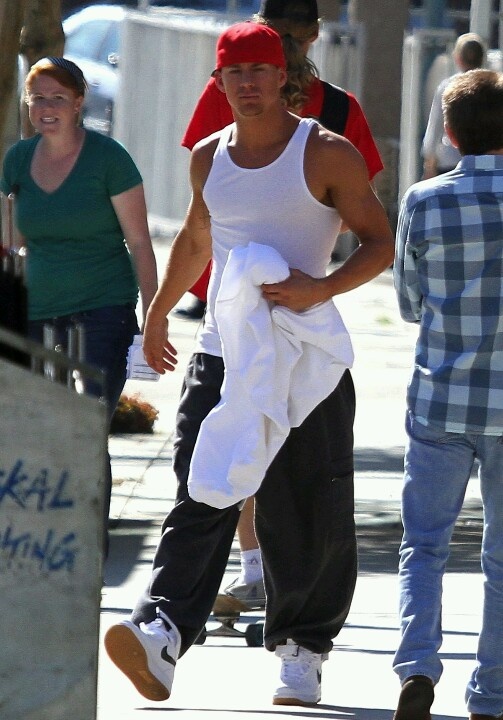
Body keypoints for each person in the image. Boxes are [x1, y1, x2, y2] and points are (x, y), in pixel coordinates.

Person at [104, 21, 394, 707]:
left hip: (307, 358)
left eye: (259, 72)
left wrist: (319, 288)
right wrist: (156, 312)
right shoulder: (208, 158)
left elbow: (378, 241)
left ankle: (301, 650)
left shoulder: (325, 152)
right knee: (203, 486)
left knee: (306, 504)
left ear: (283, 76)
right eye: (234, 74)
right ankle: (164, 633)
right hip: (222, 351)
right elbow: (200, 240)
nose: (247, 85)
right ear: (219, 81)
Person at [176, 0, 384, 609]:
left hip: (301, 326)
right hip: (229, 320)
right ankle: (240, 570)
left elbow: (363, 216)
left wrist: (319, 282)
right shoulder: (228, 97)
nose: (275, 56)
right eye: (272, 38)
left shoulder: (337, 115)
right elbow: (202, 208)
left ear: (308, 41)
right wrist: (165, 306)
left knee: (300, 483)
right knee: (218, 456)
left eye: (287, 42)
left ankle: (295, 622)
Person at [0, 57, 158, 550]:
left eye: (57, 98)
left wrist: (154, 319)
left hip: (103, 309)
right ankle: (43, 544)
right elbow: (12, 241)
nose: (46, 108)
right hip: (38, 308)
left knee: (87, 425)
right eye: (38, 98)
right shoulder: (17, 161)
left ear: (78, 103)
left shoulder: (109, 159)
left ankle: (88, 546)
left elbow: (140, 243)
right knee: (40, 425)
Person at [392, 68, 503, 720]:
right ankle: (490, 695)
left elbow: (407, 303)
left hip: (439, 399)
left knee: (424, 543)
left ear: (451, 133)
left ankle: (416, 664)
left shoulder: (422, 201)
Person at [174, 0, 383, 325]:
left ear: (261, 26)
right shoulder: (341, 107)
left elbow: (205, 197)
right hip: (301, 293)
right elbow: (355, 212)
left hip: (224, 295)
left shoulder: (226, 89)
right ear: (314, 33)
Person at [422, 32, 485, 179]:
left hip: (450, 161)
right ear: (482, 58)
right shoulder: (493, 87)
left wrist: (429, 163)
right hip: (485, 160)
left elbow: (435, 126)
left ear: (457, 58)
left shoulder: (448, 87)